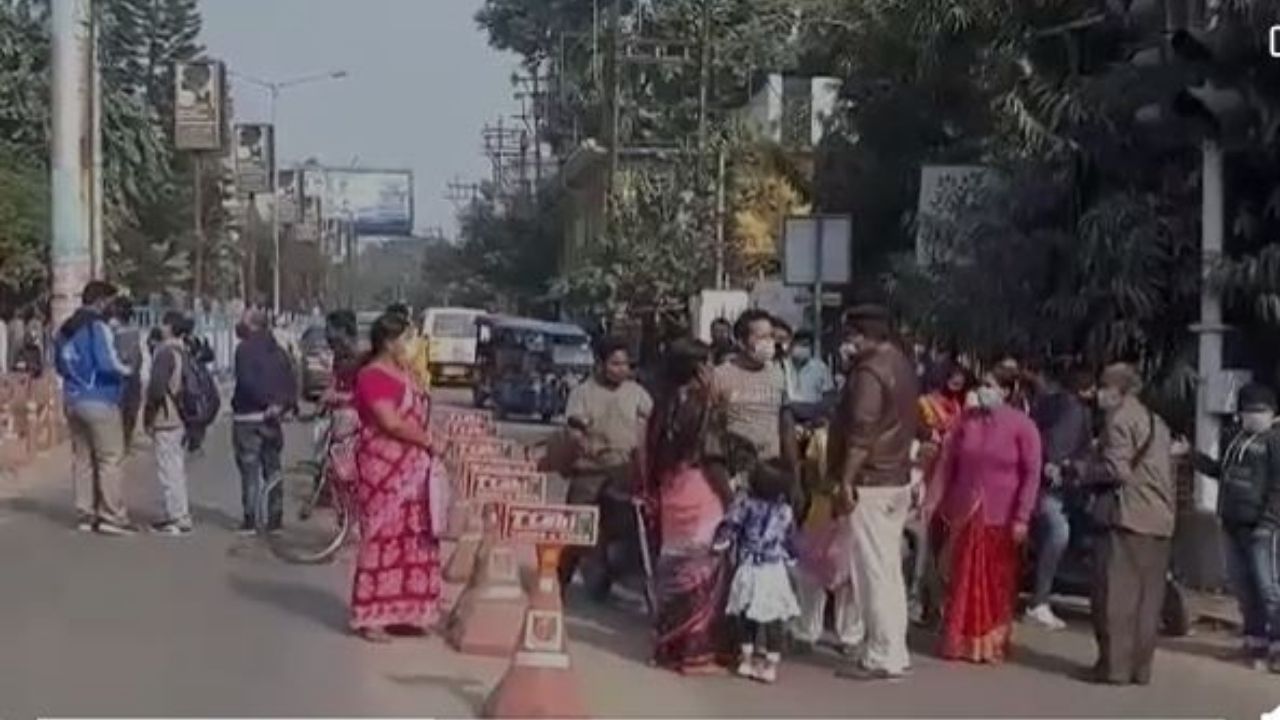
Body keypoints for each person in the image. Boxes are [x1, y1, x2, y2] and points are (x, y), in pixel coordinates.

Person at [828, 304, 919, 681]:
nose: (848, 343)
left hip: (871, 481)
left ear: (864, 335)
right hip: (897, 478)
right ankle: (893, 648)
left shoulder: (869, 373)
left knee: (873, 571)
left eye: (851, 335)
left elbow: (862, 433)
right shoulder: (901, 363)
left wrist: (845, 480)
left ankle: (883, 653)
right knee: (888, 568)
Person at [930, 369, 1042, 663]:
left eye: (990, 386)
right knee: (960, 578)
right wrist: (934, 503)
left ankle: (990, 642)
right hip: (964, 513)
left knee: (995, 581)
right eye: (982, 385)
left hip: (1001, 516)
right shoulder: (966, 422)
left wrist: (1022, 517)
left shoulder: (1023, 427)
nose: (983, 391)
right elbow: (946, 464)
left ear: (1007, 391)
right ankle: (959, 640)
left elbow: (1032, 475)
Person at [639, 338, 735, 674]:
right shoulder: (703, 406)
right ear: (699, 370)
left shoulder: (663, 404)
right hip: (701, 491)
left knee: (674, 568)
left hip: (672, 492)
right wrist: (730, 498)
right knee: (702, 573)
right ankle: (694, 654)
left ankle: (668, 647)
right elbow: (713, 458)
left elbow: (648, 455)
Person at [350, 312, 442, 641]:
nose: (412, 345)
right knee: (382, 537)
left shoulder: (407, 373)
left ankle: (406, 611)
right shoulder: (371, 376)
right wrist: (429, 441)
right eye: (407, 338)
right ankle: (372, 616)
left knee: (415, 535)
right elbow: (390, 422)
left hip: (414, 469)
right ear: (389, 343)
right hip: (383, 469)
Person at [1084, 362, 1175, 685]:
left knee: (1116, 596)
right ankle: (1141, 669)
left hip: (1129, 515)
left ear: (1118, 391)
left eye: (1104, 388)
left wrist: (1081, 471)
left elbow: (1117, 471)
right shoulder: (1157, 421)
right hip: (1160, 518)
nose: (1098, 394)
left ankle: (1115, 668)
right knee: (1148, 600)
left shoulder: (1119, 420)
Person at [1193, 383, 1280, 672]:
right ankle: (1255, 641)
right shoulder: (1235, 439)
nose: (1254, 416)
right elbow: (1223, 472)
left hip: (1262, 528)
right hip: (1231, 523)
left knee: (1269, 589)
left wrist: (1268, 523)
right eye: (1249, 410)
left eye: (1261, 410)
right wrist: (1193, 457)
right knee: (1244, 588)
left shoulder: (1275, 442)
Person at [561, 336, 653, 595]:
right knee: (576, 532)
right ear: (600, 364)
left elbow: (648, 428)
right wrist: (584, 445)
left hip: (624, 472)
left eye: (625, 364)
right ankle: (559, 584)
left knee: (627, 531)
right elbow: (575, 431)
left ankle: (612, 578)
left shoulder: (637, 394)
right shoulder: (583, 393)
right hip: (589, 472)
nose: (621, 370)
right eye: (615, 364)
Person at [54, 280, 135, 535]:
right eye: (109, 301)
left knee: (82, 459)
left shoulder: (65, 329)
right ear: (100, 301)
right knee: (110, 458)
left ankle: (85, 514)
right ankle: (112, 515)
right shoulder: (97, 327)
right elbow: (106, 362)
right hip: (100, 398)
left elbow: (58, 364)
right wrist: (128, 371)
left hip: (73, 398)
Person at [715, 459, 801, 684]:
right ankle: (770, 666)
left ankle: (746, 660)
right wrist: (793, 559)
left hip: (748, 567)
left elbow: (730, 526)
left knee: (745, 614)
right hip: (773, 570)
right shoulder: (785, 511)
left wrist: (719, 543)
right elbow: (790, 541)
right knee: (774, 618)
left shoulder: (744, 504)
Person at [1023, 360, 1095, 630]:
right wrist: (1060, 467)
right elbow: (1059, 448)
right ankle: (1039, 600)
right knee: (1058, 531)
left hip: (1049, 483)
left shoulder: (1048, 405)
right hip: (1054, 486)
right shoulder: (1073, 410)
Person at [231, 308, 297, 534]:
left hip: (248, 417)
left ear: (251, 325)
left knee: (249, 470)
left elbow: (247, 383)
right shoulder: (279, 352)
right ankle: (275, 519)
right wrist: (280, 405)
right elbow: (290, 381)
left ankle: (250, 520)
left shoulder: (243, 350)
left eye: (242, 320)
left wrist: (266, 402)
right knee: (272, 468)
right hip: (272, 419)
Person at [712, 309, 798, 482]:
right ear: (742, 343)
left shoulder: (777, 374)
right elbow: (712, 427)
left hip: (771, 469)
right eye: (761, 337)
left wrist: (794, 472)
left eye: (771, 336)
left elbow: (785, 424)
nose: (768, 343)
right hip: (735, 471)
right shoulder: (720, 376)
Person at [144, 311, 193, 536]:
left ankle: (177, 517)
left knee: (168, 469)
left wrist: (148, 416)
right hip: (181, 416)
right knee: (176, 466)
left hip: (166, 416)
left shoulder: (165, 353)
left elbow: (156, 389)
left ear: (170, 327)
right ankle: (177, 512)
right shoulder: (184, 351)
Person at [110, 297, 144, 451]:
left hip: (128, 374)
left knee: (128, 409)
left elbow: (136, 351)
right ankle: (123, 441)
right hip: (123, 375)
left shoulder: (129, 328)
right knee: (125, 409)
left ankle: (125, 441)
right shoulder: (113, 327)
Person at [784, 330, 836, 424]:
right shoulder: (783, 366)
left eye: (806, 345)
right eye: (800, 345)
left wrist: (815, 409)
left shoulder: (820, 367)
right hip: (787, 417)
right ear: (792, 346)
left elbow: (829, 395)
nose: (802, 348)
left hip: (813, 418)